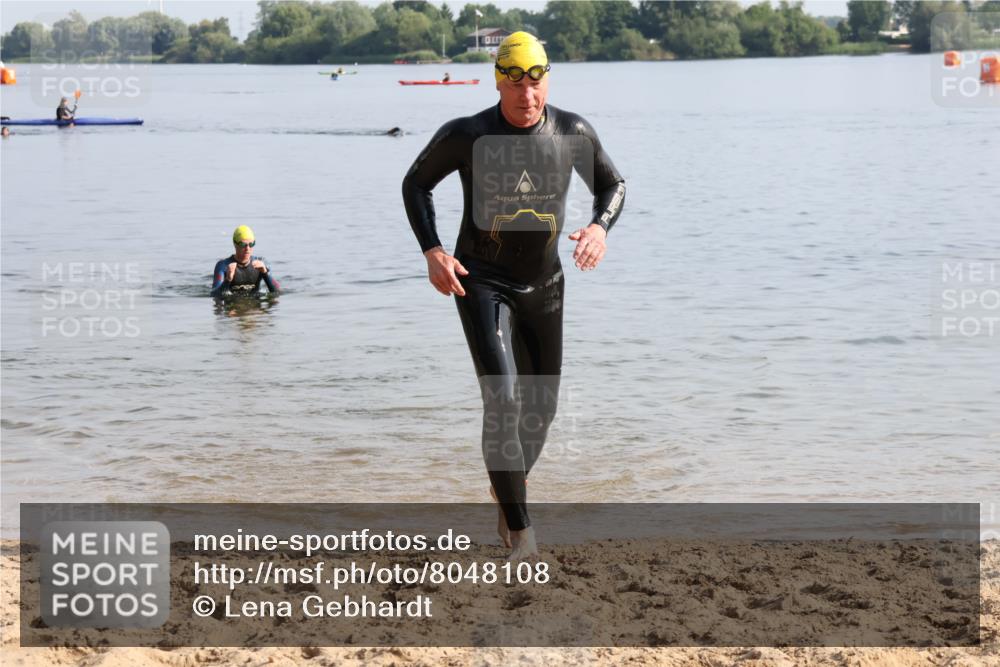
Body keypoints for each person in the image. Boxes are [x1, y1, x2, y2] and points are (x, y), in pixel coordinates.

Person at [402, 31, 625, 560]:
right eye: (517, 84)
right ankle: (522, 533)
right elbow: (415, 184)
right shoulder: (467, 134)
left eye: (538, 82)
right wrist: (433, 250)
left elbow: (614, 186)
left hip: (545, 286)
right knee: (502, 398)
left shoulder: (572, 131)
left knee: (540, 411)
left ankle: (507, 494)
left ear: (547, 78)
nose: (529, 96)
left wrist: (599, 230)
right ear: (499, 81)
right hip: (480, 280)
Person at [211, 225, 280, 298]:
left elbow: (277, 292)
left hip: (254, 307)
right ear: (235, 244)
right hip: (233, 306)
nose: (247, 248)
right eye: (243, 244)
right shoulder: (223, 265)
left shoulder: (261, 263)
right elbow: (214, 295)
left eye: (251, 244)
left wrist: (265, 273)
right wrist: (228, 279)